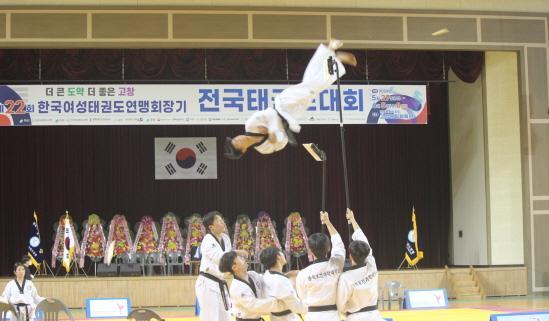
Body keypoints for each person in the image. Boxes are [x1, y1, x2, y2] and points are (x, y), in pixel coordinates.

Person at [224, 39, 357, 159]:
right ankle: (327, 50)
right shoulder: (263, 149)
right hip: (292, 117)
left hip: (282, 105)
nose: (238, 138)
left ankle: (335, 61)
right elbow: (283, 143)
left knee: (311, 89)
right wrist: (276, 138)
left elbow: (270, 114)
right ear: (242, 150)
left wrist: (272, 131)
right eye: (236, 143)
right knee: (309, 84)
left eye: (235, 139)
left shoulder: (250, 125)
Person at [194, 211, 246, 321]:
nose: (223, 222)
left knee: (225, 317)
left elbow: (228, 262)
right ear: (211, 227)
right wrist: (237, 253)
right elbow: (219, 258)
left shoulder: (226, 239)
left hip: (220, 283)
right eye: (218, 220)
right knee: (210, 317)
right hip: (207, 283)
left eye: (222, 219)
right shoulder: (207, 240)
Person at [295, 211, 345, 321]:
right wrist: (327, 221)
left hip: (313, 316)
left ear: (311, 251)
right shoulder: (337, 264)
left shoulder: (303, 274)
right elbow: (338, 243)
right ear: (328, 249)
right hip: (333, 316)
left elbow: (302, 297)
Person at [336, 209, 383, 321]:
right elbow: (364, 242)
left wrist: (344, 312)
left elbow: (340, 304)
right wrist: (352, 219)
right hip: (375, 316)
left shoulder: (346, 277)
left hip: (355, 317)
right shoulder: (372, 265)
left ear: (350, 256)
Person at [219, 251, 278, 321]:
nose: (244, 259)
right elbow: (254, 305)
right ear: (235, 267)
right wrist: (276, 302)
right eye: (240, 259)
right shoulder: (236, 288)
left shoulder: (252, 274)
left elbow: (267, 282)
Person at [260, 247, 307, 321]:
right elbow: (297, 307)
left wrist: (287, 275)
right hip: (288, 318)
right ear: (278, 257)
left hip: (275, 317)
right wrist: (313, 305)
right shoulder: (281, 281)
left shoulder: (266, 275)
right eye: (281, 253)